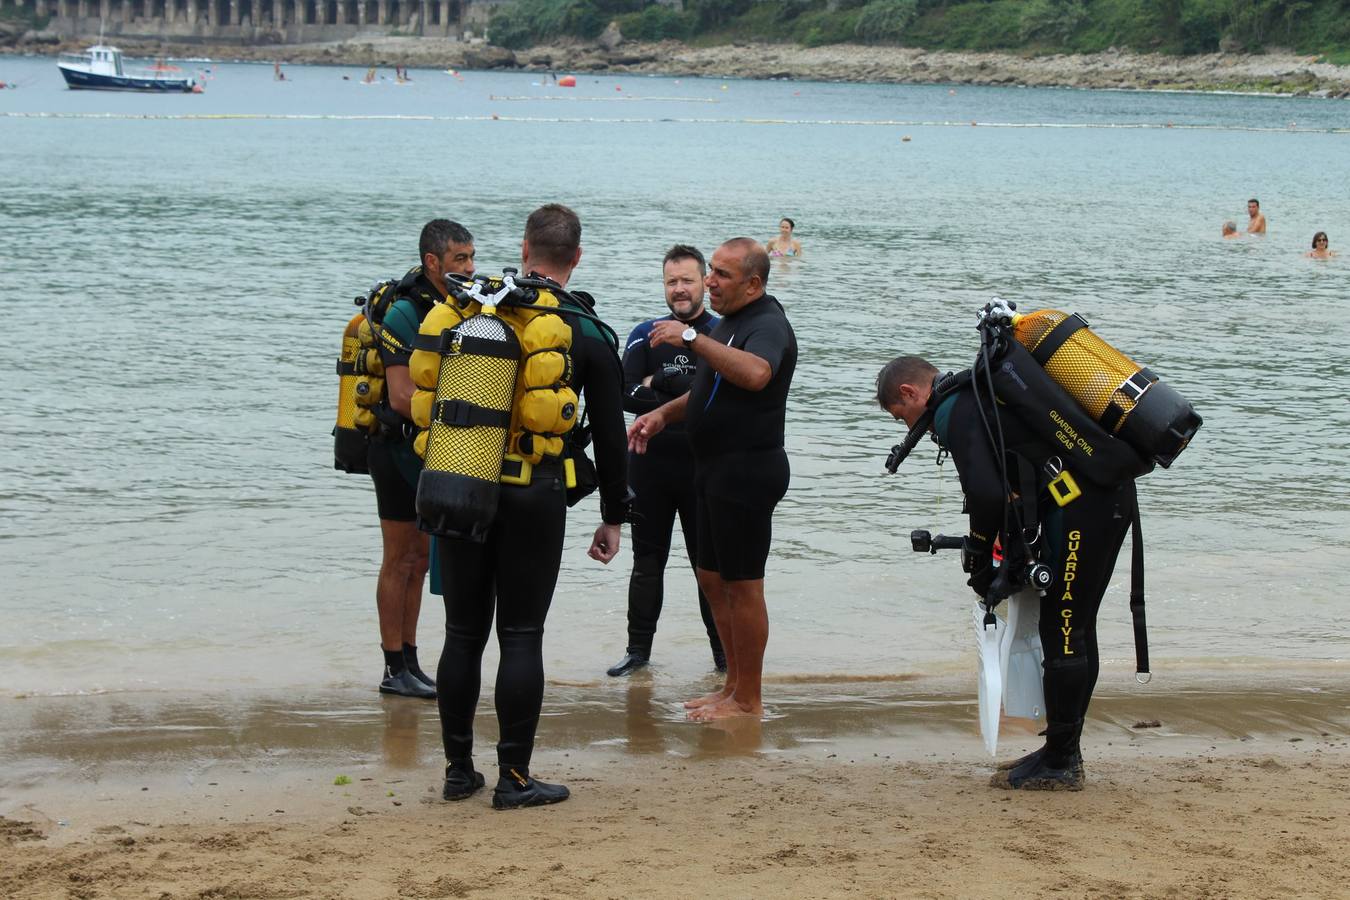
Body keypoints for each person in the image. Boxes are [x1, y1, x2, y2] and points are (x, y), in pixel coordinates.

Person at [435, 204, 630, 808]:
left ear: (523, 251)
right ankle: (514, 779)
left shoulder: (471, 311)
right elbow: (610, 433)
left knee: (462, 632)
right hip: (533, 494)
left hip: (458, 480)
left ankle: (458, 771)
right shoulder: (585, 329)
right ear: (576, 258)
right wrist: (615, 515)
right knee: (520, 635)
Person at [876, 355, 1137, 791]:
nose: (907, 428)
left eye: (900, 415)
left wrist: (979, 554)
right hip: (1096, 502)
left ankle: (1061, 762)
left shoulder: (953, 410)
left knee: (1065, 629)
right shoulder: (974, 399)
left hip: (1085, 510)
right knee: (1072, 626)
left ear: (909, 392)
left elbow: (986, 493)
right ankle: (1062, 750)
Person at [628, 238, 797, 721]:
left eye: (721, 275)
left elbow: (757, 373)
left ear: (754, 283)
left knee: (743, 586)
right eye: (711, 272)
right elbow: (708, 386)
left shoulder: (767, 323)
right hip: (713, 467)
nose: (709, 282)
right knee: (710, 576)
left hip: (748, 469)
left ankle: (750, 699)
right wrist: (662, 414)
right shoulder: (730, 323)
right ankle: (732, 687)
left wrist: (689, 338)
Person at [369, 219, 476, 699]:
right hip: (394, 449)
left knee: (421, 561)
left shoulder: (457, 306)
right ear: (433, 262)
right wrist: (467, 412)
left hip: (433, 448)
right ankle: (394, 667)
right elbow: (399, 396)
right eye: (460, 259)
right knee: (401, 557)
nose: (470, 268)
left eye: (472, 257)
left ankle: (411, 659)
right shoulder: (402, 315)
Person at [607, 245, 725, 678]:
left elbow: (720, 393)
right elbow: (622, 393)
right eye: (672, 281)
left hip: (702, 468)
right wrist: (675, 385)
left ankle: (723, 656)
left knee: (707, 568)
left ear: (704, 282)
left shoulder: (720, 333)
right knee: (646, 562)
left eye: (687, 281)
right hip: (650, 464)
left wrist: (661, 383)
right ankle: (638, 653)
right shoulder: (645, 333)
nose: (679, 289)